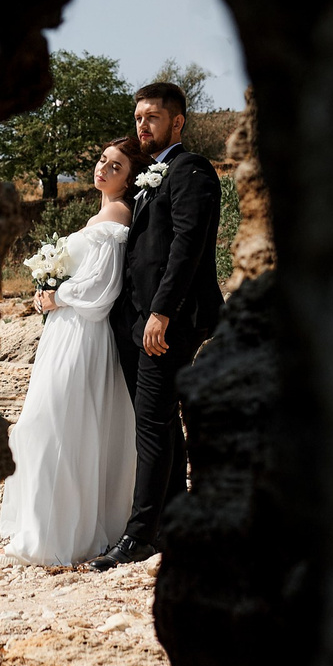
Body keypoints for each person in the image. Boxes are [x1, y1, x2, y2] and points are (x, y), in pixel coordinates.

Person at [0, 137, 148, 565]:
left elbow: (102, 291)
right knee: (52, 423)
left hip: (84, 335)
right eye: (102, 161)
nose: (103, 169)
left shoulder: (117, 216)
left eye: (115, 167)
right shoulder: (101, 212)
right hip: (64, 333)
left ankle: (61, 533)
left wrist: (53, 296)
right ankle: (49, 523)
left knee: (55, 423)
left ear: (129, 178)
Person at [92, 83, 224, 570]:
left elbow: (188, 246)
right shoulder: (147, 175)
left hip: (168, 320)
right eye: (138, 116)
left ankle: (140, 535)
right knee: (161, 421)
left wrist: (162, 312)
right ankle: (172, 522)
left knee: (150, 424)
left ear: (178, 122)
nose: (143, 125)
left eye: (153, 117)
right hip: (135, 322)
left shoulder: (191, 171)